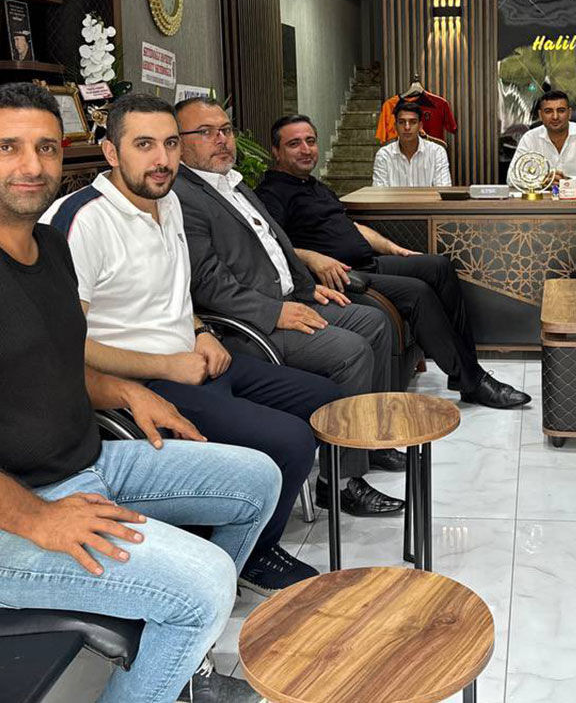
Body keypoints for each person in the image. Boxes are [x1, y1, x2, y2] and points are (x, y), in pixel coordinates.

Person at [0, 83, 277, 703]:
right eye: (6, 148)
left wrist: (126, 392)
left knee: (257, 481)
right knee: (205, 583)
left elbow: (47, 363)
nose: (31, 165)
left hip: (81, 466)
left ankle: (172, 659)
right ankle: (175, 643)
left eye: (46, 148)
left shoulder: (51, 247)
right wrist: (38, 519)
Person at [41, 96, 390, 598]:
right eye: (144, 145)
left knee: (327, 402)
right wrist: (169, 364)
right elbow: (62, 346)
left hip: (194, 357)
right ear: (111, 152)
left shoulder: (168, 202)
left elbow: (175, 295)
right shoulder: (81, 220)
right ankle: (249, 554)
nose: (161, 159)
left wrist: (202, 331)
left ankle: (254, 523)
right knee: (291, 439)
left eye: (170, 144)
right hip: (137, 382)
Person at [172, 96, 407, 517]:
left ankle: (367, 440)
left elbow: (277, 246)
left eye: (225, 130)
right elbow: (206, 281)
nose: (221, 139)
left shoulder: (234, 183)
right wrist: (276, 311)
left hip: (289, 299)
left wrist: (306, 288)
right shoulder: (183, 196)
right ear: (179, 142)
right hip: (247, 325)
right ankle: (340, 482)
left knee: (375, 322)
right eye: (205, 132)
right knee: (350, 351)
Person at [257, 114, 531, 410]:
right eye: (294, 144)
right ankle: (473, 382)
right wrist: (312, 257)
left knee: (439, 266)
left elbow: (351, 227)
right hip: (341, 277)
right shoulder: (272, 193)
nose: (306, 149)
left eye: (310, 141)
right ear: (276, 151)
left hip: (368, 262)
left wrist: (394, 249)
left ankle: (466, 369)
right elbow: (269, 243)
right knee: (418, 292)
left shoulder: (314, 185)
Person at [506, 83, 576, 184]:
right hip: (542, 195)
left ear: (569, 113)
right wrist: (543, 181)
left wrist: (567, 181)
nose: (555, 117)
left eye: (561, 111)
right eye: (548, 111)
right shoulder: (530, 138)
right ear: (540, 115)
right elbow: (511, 177)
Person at [372, 98, 452, 187]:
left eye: (413, 122)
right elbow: (379, 191)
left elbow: (443, 189)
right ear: (395, 126)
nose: (407, 127)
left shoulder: (437, 152)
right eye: (402, 122)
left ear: (420, 126)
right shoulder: (384, 155)